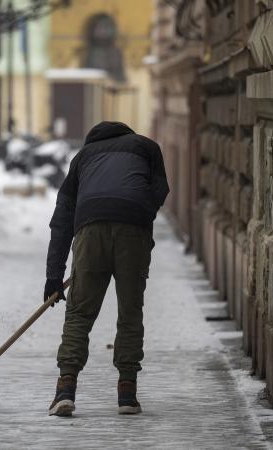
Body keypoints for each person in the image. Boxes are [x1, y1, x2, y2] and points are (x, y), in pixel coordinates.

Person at [43, 121, 169, 417]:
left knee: (79, 313)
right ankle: (127, 393)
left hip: (90, 230)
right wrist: (136, 212)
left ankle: (65, 389)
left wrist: (53, 274)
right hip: (132, 232)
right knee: (130, 311)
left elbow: (62, 218)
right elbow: (160, 189)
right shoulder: (147, 147)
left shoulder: (83, 157)